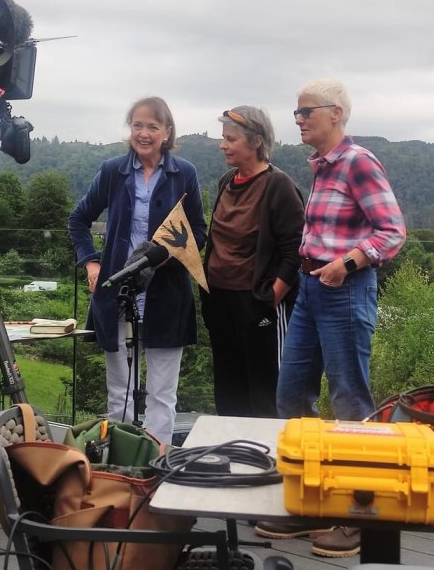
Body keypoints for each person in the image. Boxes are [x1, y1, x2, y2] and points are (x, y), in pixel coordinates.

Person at [256, 78, 406, 556]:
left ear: (336, 113)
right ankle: (312, 502)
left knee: (350, 402)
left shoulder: (358, 162)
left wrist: (348, 263)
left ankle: (360, 515)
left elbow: (393, 231)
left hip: (343, 289)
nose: (297, 120)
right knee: (292, 393)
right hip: (311, 289)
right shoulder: (322, 166)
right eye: (296, 113)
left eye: (306, 113)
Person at [68, 96, 207, 445]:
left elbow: (199, 232)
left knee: (162, 393)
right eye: (137, 125)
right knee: (119, 393)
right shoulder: (113, 170)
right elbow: (78, 220)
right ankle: (121, 465)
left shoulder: (184, 173)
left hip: (167, 295)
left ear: (167, 132)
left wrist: (160, 256)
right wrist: (92, 261)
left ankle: (157, 464)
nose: (143, 134)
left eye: (152, 127)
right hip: (117, 293)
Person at [200, 106, 304, 417]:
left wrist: (271, 297)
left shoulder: (278, 186)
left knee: (264, 391)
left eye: (231, 139)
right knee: (229, 389)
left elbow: (295, 249)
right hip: (220, 301)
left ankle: (268, 460)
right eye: (223, 138)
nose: (223, 145)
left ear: (256, 141)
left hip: (257, 303)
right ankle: (234, 457)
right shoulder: (226, 181)